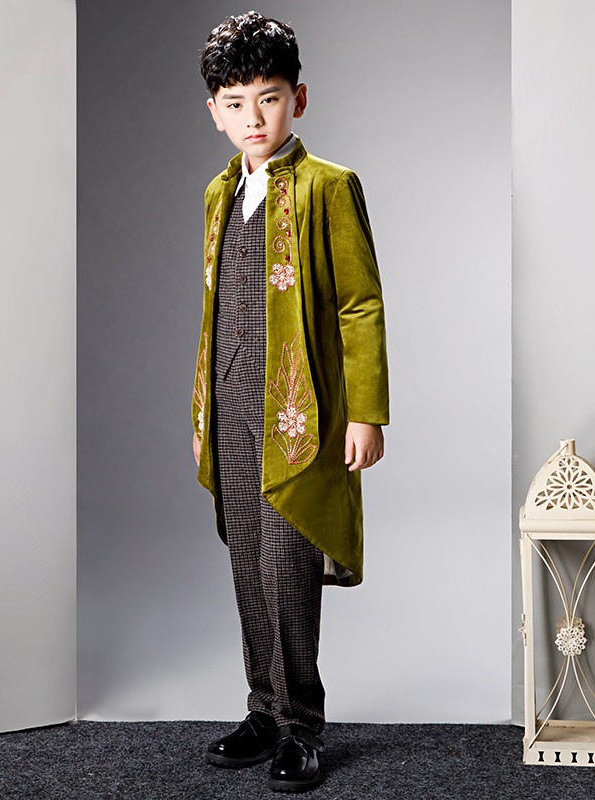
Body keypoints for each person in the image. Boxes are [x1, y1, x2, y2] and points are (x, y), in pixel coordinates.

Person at [191, 10, 389, 793]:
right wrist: (202, 415)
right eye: (236, 103)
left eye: (268, 99)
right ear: (214, 111)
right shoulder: (217, 194)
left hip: (296, 411)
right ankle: (262, 710)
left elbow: (360, 304)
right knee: (247, 558)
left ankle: (301, 726)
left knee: (287, 563)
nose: (254, 117)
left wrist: (366, 412)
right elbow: (210, 313)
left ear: (297, 99)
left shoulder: (329, 187)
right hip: (229, 400)